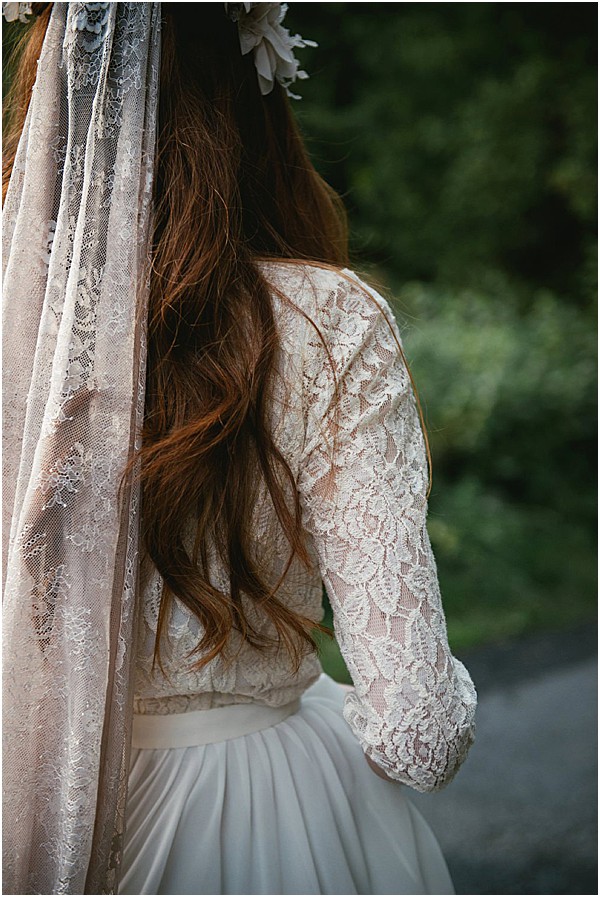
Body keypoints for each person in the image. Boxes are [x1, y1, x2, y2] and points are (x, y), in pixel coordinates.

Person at [2, 3, 477, 895]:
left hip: (37, 816)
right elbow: (419, 733)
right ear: (253, 91)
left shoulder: (15, 334)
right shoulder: (327, 326)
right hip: (276, 813)